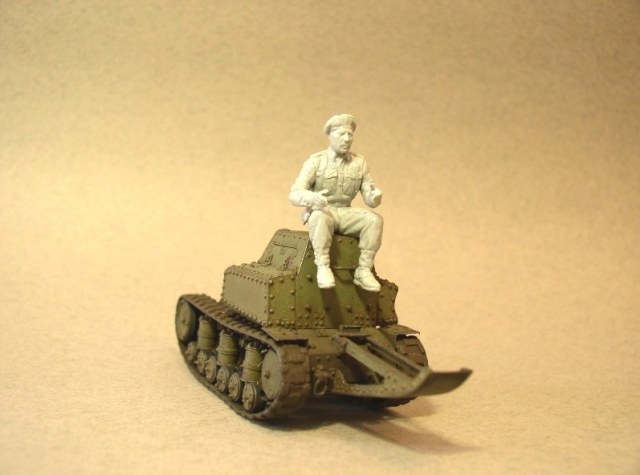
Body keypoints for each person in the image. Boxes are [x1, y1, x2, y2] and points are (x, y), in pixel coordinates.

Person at [289, 114, 383, 291]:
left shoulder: (359, 163)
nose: (347, 139)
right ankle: (323, 267)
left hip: (345, 213)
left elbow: (369, 197)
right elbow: (294, 193)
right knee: (319, 216)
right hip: (324, 211)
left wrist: (374, 197)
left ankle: (363, 270)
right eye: (341, 134)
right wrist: (312, 198)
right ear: (330, 136)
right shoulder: (316, 161)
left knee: (374, 220)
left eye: (350, 135)